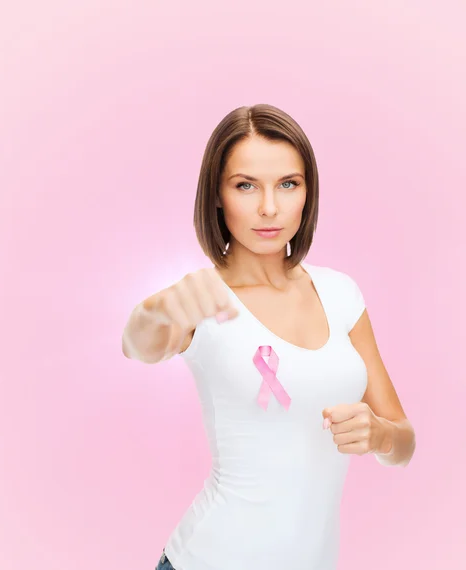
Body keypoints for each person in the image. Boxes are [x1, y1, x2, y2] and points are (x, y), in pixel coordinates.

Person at [122, 104, 416, 570]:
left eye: (287, 184)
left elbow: (403, 441)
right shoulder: (201, 300)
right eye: (245, 186)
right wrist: (153, 312)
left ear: (307, 191)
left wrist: (379, 435)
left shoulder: (341, 293)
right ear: (217, 195)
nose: (269, 208)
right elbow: (138, 344)